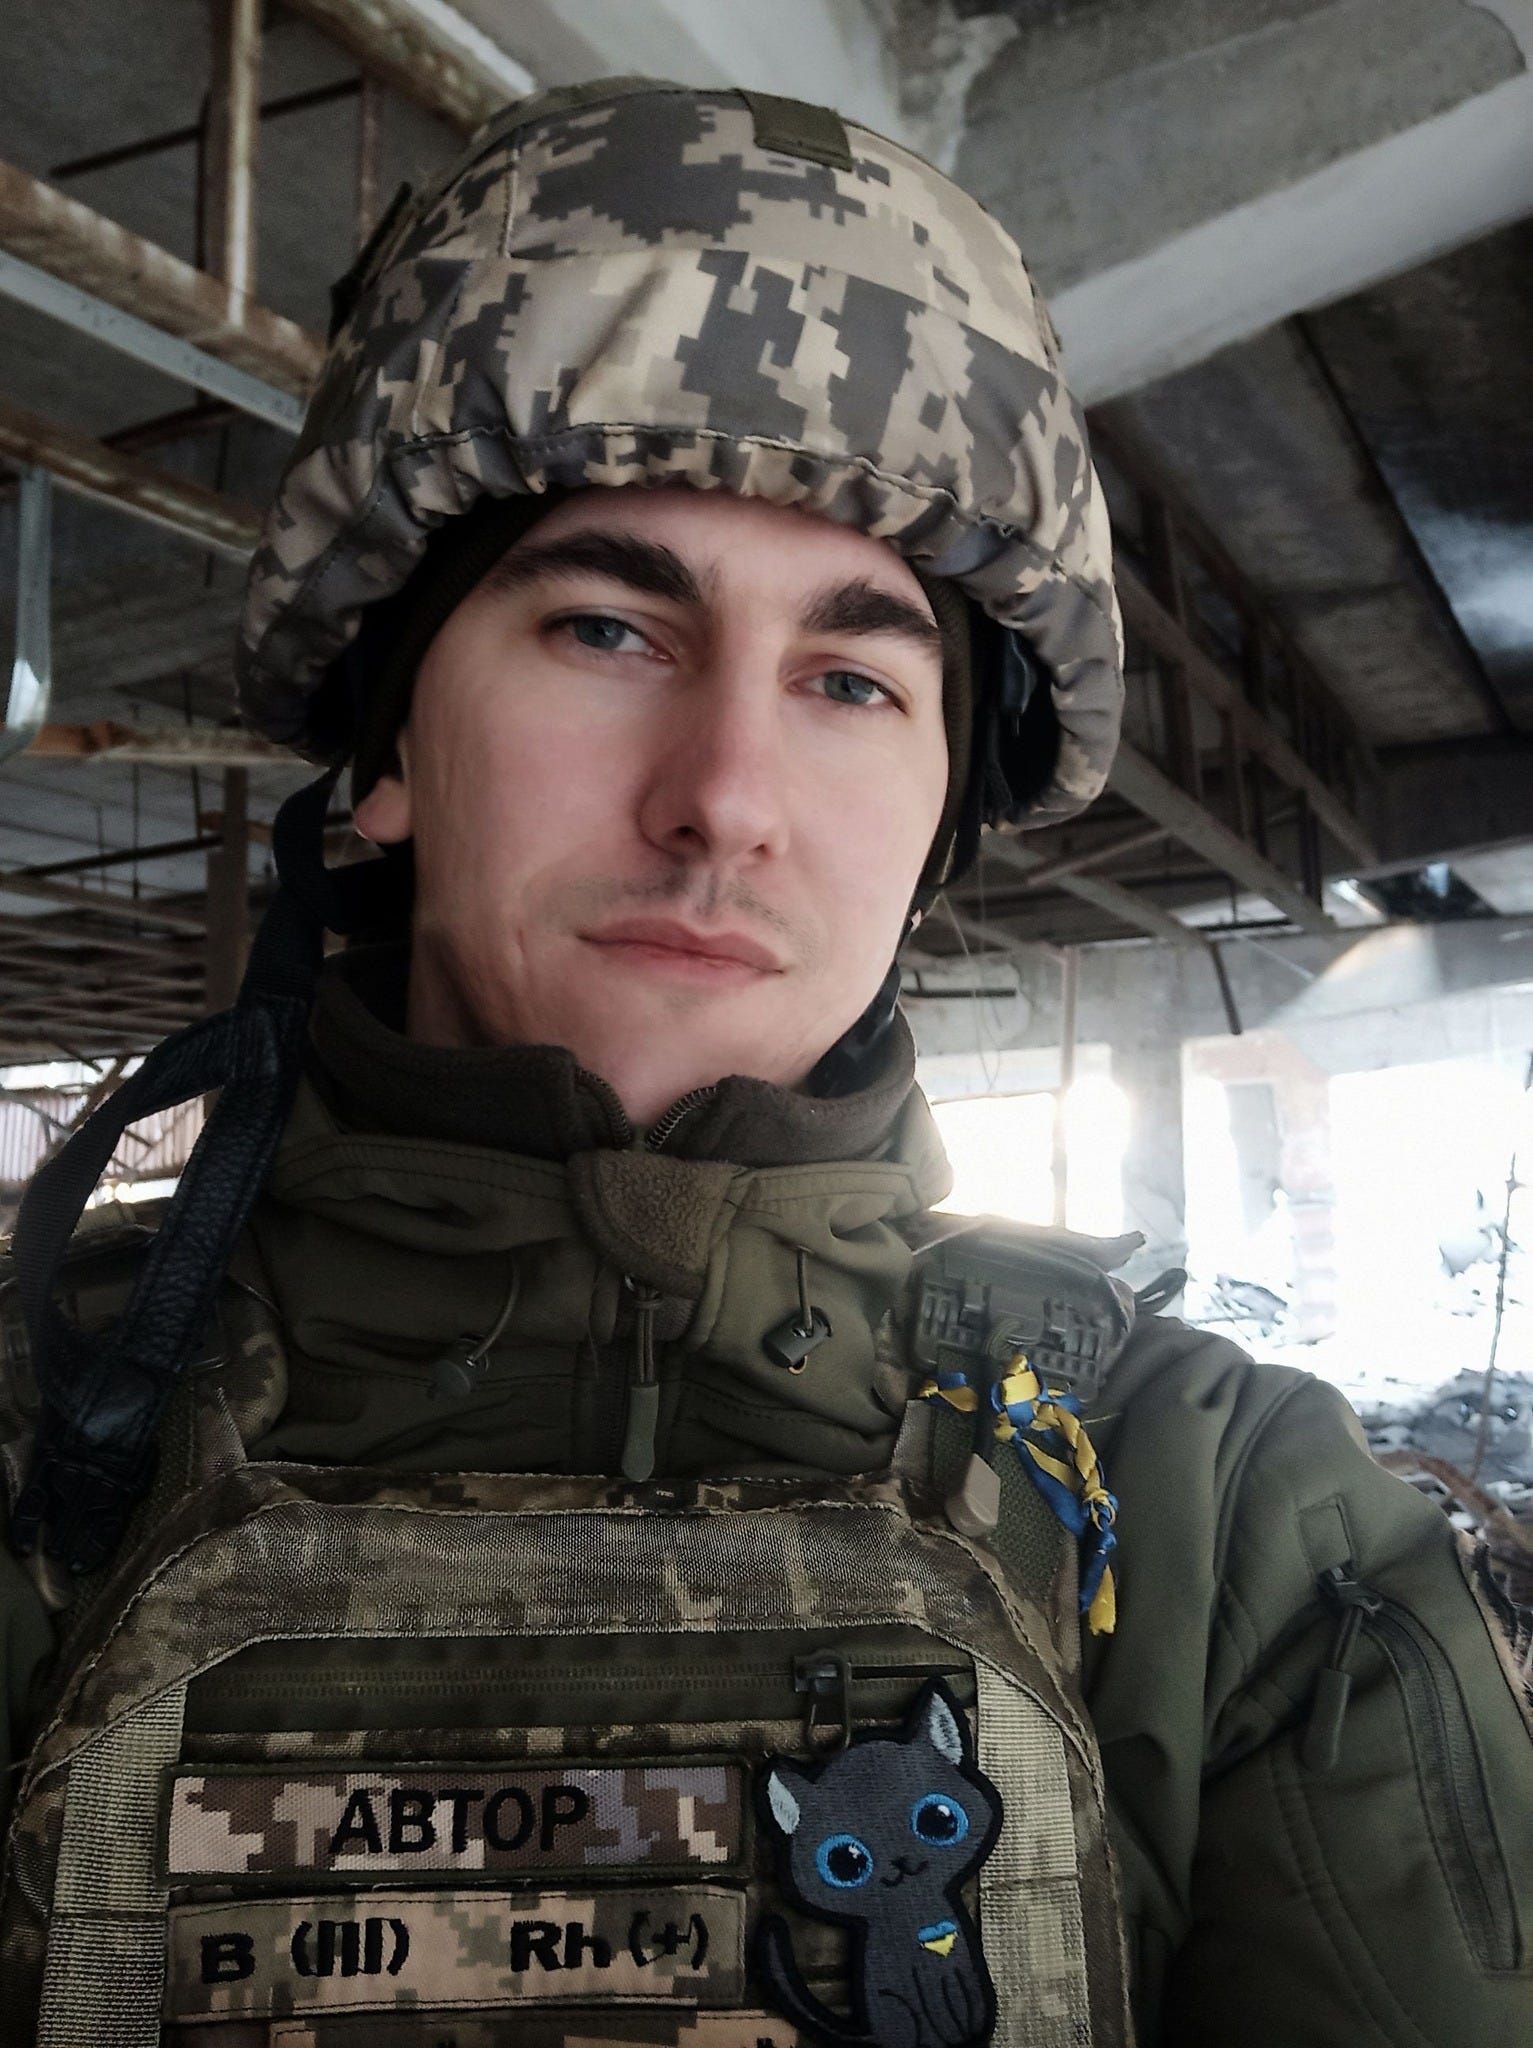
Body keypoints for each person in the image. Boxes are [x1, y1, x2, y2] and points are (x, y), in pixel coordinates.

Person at [0, 78, 1528, 2048]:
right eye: (605, 631)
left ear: (936, 819)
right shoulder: (39, 1438)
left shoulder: (1222, 1521)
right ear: (383, 746)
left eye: (848, 680)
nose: (723, 796)